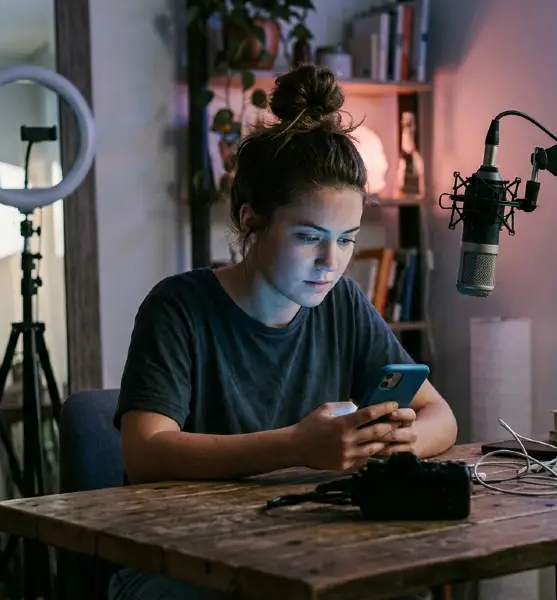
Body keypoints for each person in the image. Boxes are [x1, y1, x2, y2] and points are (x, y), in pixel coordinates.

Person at [107, 63, 458, 600]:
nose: (331, 262)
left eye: (347, 239)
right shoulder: (178, 307)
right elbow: (146, 452)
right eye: (309, 237)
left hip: (303, 548)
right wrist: (296, 446)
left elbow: (442, 417)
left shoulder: (342, 303)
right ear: (251, 220)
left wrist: (392, 440)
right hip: (182, 559)